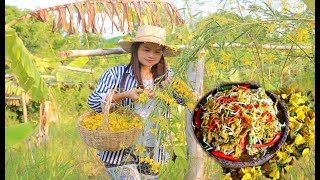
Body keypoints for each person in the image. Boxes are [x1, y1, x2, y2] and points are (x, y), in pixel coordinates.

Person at [87, 25, 184, 179]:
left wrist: (174, 88)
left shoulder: (166, 75)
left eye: (157, 51)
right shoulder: (115, 73)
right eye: (146, 50)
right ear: (136, 50)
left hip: (153, 148)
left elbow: (185, 101)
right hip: (120, 146)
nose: (152, 55)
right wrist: (124, 95)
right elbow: (93, 102)